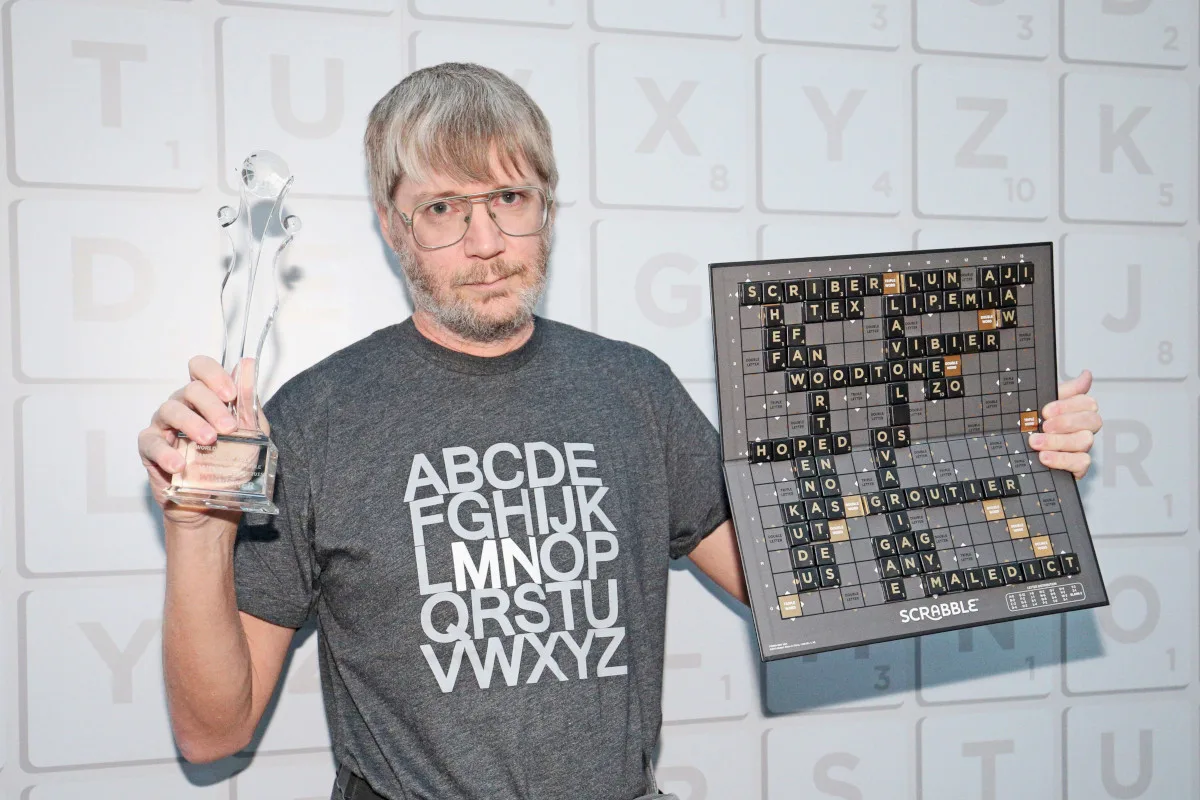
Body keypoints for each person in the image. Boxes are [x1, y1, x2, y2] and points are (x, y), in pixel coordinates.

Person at [137, 63, 1104, 800]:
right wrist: (194, 528)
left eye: (510, 199)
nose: (486, 242)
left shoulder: (632, 390)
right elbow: (213, 734)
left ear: (548, 210)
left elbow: (809, 583)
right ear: (394, 228)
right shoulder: (315, 418)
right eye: (443, 209)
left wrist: (1006, 459)